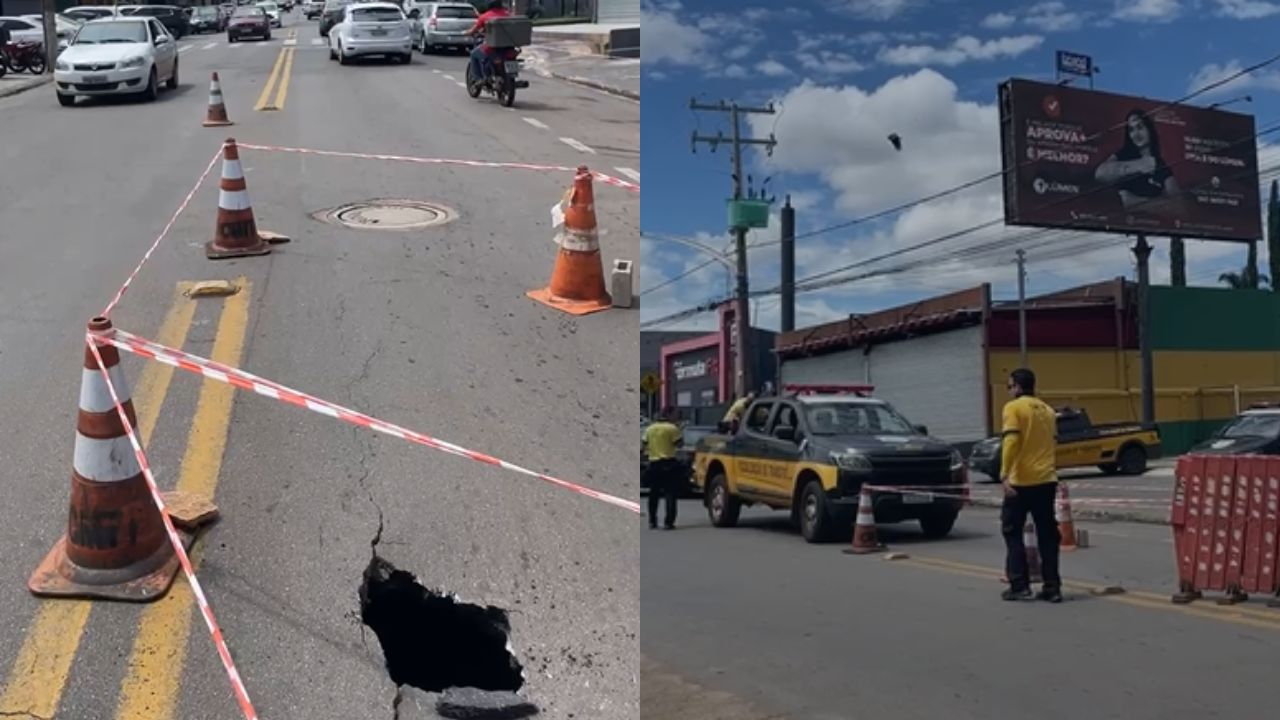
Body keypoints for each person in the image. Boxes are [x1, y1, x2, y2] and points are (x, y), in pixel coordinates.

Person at [999, 368, 1062, 603]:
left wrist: (1004, 474)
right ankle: (1052, 587)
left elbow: (1011, 441)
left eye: (1009, 386)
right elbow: (1052, 443)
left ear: (1016, 386)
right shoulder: (1047, 410)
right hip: (1046, 480)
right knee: (1047, 534)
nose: (1009, 391)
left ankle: (1019, 585)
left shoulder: (1013, 408)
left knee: (1012, 531)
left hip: (1021, 481)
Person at [1093, 109, 1183, 215]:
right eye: (1131, 130)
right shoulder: (1124, 155)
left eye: (1140, 127)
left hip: (1151, 227)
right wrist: (1138, 165)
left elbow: (1179, 207)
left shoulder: (1159, 164)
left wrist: (1135, 202)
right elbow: (1100, 174)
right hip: (1120, 224)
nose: (1136, 134)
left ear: (1149, 129)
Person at [642, 407, 684, 530]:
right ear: (668, 415)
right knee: (670, 494)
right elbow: (679, 444)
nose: (677, 417)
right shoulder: (672, 428)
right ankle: (668, 522)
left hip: (654, 463)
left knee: (653, 494)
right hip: (669, 464)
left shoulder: (649, 429)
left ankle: (652, 521)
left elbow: (644, 445)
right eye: (675, 414)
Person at [465, 0, 510, 86]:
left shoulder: (485, 16)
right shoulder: (508, 15)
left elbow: (474, 30)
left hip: (492, 47)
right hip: (508, 46)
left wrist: (468, 32)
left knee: (473, 54)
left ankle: (479, 79)